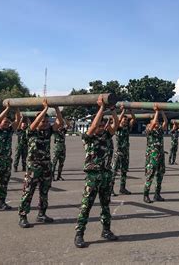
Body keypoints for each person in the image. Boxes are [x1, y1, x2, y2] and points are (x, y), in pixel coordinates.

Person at [74, 96, 119, 248]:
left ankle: (106, 230)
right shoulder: (88, 137)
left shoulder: (107, 135)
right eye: (100, 125)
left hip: (106, 175)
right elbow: (92, 127)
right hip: (93, 176)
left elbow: (116, 124)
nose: (102, 127)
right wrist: (101, 108)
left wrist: (112, 111)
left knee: (105, 205)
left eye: (103, 125)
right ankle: (79, 234)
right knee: (86, 206)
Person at [18, 99, 63, 228]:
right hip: (33, 167)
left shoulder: (48, 131)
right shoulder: (31, 131)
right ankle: (23, 216)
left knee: (44, 192)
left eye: (47, 121)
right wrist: (44, 109)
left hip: (46, 167)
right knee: (28, 192)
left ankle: (42, 214)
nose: (45, 123)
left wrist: (56, 108)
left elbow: (59, 122)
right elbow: (35, 123)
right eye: (43, 121)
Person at [144, 104, 168, 203]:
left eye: (158, 121)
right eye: (155, 122)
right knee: (150, 175)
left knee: (160, 175)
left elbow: (166, 122)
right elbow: (153, 123)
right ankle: (146, 195)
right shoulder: (149, 131)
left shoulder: (159, 131)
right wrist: (156, 112)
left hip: (160, 155)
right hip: (152, 156)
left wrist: (161, 111)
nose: (157, 123)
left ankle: (157, 194)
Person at [111, 107, 136, 196]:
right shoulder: (117, 128)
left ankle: (122, 188)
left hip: (125, 153)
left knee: (124, 171)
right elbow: (117, 120)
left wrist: (130, 111)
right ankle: (111, 189)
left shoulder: (127, 128)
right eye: (124, 120)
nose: (125, 121)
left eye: (126, 120)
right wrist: (123, 111)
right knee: (114, 171)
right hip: (118, 153)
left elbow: (134, 119)